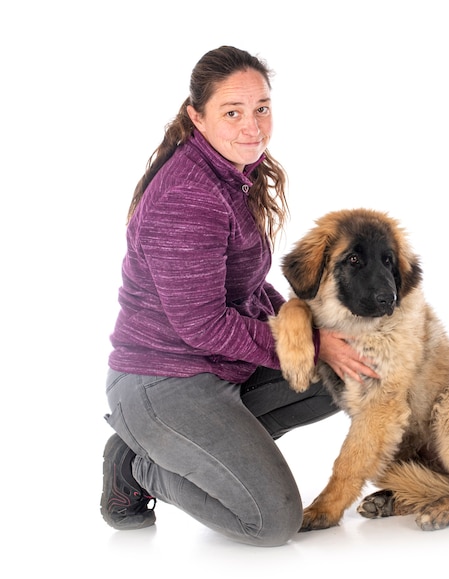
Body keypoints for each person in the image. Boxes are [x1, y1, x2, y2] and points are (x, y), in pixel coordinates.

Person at [100, 46, 378, 548]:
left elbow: (249, 290)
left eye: (262, 108)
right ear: (197, 118)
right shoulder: (188, 195)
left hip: (222, 367)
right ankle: (142, 466)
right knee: (271, 522)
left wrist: (319, 331)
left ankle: (209, 451)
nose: (253, 126)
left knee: (350, 367)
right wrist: (312, 344)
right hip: (164, 382)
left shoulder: (230, 174)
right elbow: (203, 325)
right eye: (233, 112)